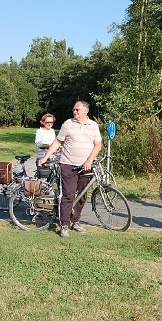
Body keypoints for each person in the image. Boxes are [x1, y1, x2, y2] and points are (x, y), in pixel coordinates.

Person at [38, 101, 102, 238]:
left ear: (86, 110)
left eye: (77, 109)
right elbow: (57, 142)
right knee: (68, 195)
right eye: (73, 110)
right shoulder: (68, 124)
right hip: (68, 165)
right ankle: (65, 225)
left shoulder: (93, 125)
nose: (74, 112)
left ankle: (75, 221)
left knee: (82, 196)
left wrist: (90, 160)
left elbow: (98, 145)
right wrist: (45, 157)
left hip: (86, 167)